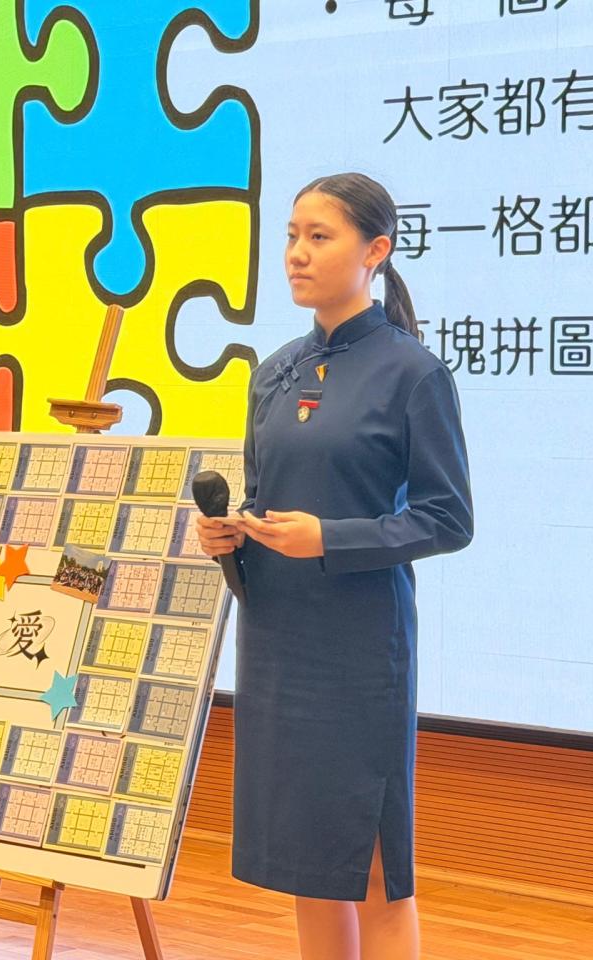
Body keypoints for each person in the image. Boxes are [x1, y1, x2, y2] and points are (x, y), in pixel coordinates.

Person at [197, 173, 474, 960]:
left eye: (319, 237)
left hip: (359, 653)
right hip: (279, 642)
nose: (296, 253)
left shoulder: (414, 373)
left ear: (375, 250)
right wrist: (230, 535)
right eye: (291, 235)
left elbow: (448, 518)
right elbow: (267, 498)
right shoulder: (273, 372)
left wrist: (331, 539)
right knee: (310, 867)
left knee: (376, 870)